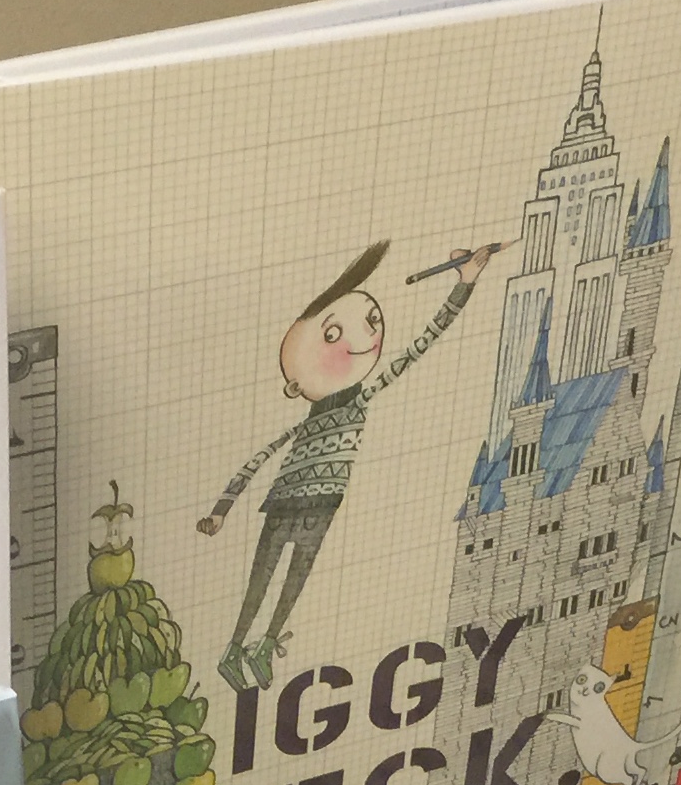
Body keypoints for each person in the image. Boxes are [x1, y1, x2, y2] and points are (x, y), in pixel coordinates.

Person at [198, 238, 498, 690]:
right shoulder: (303, 424)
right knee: (261, 576)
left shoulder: (362, 397)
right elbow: (254, 463)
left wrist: (466, 282)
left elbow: (422, 343)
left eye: (371, 321)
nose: (365, 335)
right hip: (285, 500)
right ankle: (234, 648)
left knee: (296, 578)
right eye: (332, 335)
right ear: (294, 387)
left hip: (325, 501)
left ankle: (265, 644)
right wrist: (220, 511)